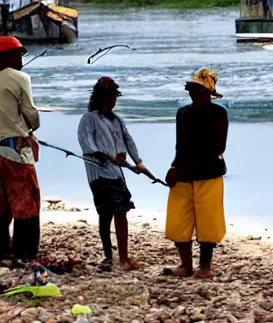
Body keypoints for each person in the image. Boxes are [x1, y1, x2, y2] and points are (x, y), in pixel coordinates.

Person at [78, 77, 148, 269]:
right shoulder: (89, 119)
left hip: (117, 174)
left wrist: (138, 163)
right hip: (99, 174)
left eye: (114, 98)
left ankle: (123, 257)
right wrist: (108, 157)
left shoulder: (117, 120)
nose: (112, 101)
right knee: (107, 214)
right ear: (99, 98)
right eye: (109, 98)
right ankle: (110, 256)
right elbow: (87, 145)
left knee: (122, 211)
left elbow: (128, 141)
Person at [165, 68, 228, 279]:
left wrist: (184, 168)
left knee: (208, 224)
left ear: (208, 94)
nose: (194, 95)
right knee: (177, 224)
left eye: (198, 92)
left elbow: (218, 149)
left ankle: (205, 266)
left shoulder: (219, 114)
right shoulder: (182, 113)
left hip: (209, 175)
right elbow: (179, 145)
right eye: (192, 91)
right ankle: (186, 265)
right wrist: (175, 168)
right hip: (183, 176)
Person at [0, 36, 41, 260]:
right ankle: (25, 253)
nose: (22, 60)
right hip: (15, 152)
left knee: (1, 206)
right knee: (27, 202)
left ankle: (2, 251)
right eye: (18, 55)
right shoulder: (20, 78)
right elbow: (33, 117)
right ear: (7, 57)